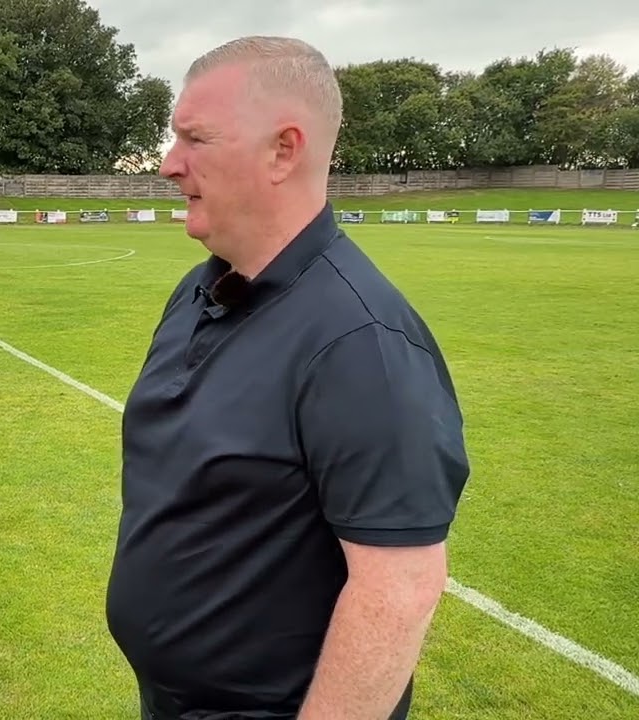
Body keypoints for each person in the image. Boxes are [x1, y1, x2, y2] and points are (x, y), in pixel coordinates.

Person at [104, 36, 470, 720]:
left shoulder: (362, 343)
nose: (167, 164)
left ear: (283, 150)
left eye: (195, 139)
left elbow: (399, 589)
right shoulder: (197, 291)